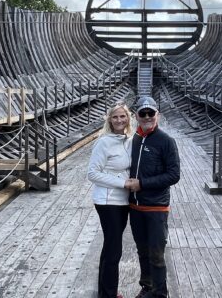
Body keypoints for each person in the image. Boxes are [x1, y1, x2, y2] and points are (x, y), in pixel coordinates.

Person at [125, 96, 180, 298]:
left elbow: (174, 175)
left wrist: (142, 184)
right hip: (136, 208)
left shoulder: (166, 141)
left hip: (156, 207)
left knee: (156, 254)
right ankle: (147, 287)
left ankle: (160, 293)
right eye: (143, 113)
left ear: (158, 114)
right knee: (142, 252)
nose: (147, 117)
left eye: (151, 113)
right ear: (137, 116)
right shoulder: (134, 140)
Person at [87, 101, 134, 298]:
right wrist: (122, 183)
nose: (119, 120)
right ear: (109, 120)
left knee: (110, 246)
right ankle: (108, 294)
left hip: (122, 201)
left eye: (122, 116)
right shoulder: (104, 142)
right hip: (108, 201)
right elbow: (92, 174)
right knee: (114, 249)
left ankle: (106, 291)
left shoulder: (129, 140)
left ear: (128, 118)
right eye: (115, 117)